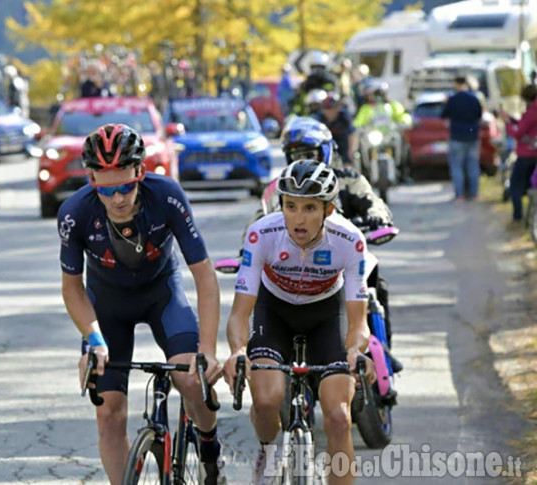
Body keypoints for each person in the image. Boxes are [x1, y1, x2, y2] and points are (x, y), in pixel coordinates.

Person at [58, 124, 226, 485]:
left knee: (192, 381)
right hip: (107, 307)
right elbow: (72, 288)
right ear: (90, 180)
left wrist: (208, 350)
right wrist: (93, 339)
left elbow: (205, 276)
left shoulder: (166, 197)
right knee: (109, 414)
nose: (117, 199)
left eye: (126, 186)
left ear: (141, 173)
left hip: (161, 296)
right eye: (106, 189)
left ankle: (210, 448)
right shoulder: (75, 213)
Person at [223, 159, 377, 485]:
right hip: (274, 313)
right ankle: (268, 450)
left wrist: (355, 351)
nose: (299, 218)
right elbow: (239, 313)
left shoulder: (349, 240)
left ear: (328, 210)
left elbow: (358, 322)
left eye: (309, 208)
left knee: (338, 417)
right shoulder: (262, 234)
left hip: (326, 316)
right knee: (266, 400)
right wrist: (238, 350)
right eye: (290, 206)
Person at [247, 116, 396, 347]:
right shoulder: (278, 188)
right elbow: (257, 221)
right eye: (297, 155)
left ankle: (382, 350)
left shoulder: (349, 179)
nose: (304, 160)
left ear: (326, 152)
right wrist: (246, 250)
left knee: (375, 282)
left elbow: (374, 202)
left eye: (310, 153)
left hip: (343, 257)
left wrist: (377, 218)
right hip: (292, 263)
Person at [440, 75, 483, 201]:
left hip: (457, 136)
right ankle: (474, 194)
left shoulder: (453, 99)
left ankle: (460, 195)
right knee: (473, 165)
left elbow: (443, 114)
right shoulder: (474, 98)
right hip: (473, 136)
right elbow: (479, 115)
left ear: (456, 84)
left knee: (457, 166)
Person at [500, 84, 537, 222]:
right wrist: (512, 119)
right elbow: (525, 126)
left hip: (526, 154)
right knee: (531, 184)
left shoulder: (531, 112)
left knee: (516, 185)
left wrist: (507, 123)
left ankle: (518, 216)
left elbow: (518, 133)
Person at [313, 92, 358, 166]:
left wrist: (352, 152)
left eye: (332, 109)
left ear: (338, 108)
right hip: (327, 146)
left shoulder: (344, 117)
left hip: (343, 145)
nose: (329, 112)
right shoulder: (318, 119)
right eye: (327, 109)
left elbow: (352, 134)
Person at [290, 51, 339, 116]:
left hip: (326, 110)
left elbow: (336, 95)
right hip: (308, 111)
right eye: (315, 67)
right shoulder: (308, 81)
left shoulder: (331, 80)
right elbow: (299, 98)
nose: (318, 70)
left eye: (320, 67)